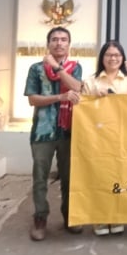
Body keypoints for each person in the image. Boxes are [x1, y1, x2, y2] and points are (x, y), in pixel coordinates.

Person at [80, 41, 127, 236]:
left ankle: (117, 216)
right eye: (109, 55)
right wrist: (94, 95)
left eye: (117, 55)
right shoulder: (91, 80)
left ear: (123, 58)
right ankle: (100, 219)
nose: (113, 58)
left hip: (122, 135)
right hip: (97, 136)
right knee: (99, 177)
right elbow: (81, 106)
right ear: (102, 58)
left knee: (120, 176)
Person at [24, 26, 83, 241]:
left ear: (69, 44)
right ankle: (40, 218)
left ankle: (70, 217)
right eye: (55, 39)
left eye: (63, 39)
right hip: (42, 132)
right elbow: (32, 99)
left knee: (69, 178)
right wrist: (59, 98)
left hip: (69, 131)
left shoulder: (74, 67)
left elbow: (76, 87)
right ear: (48, 44)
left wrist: (57, 68)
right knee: (40, 178)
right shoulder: (36, 69)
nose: (59, 43)